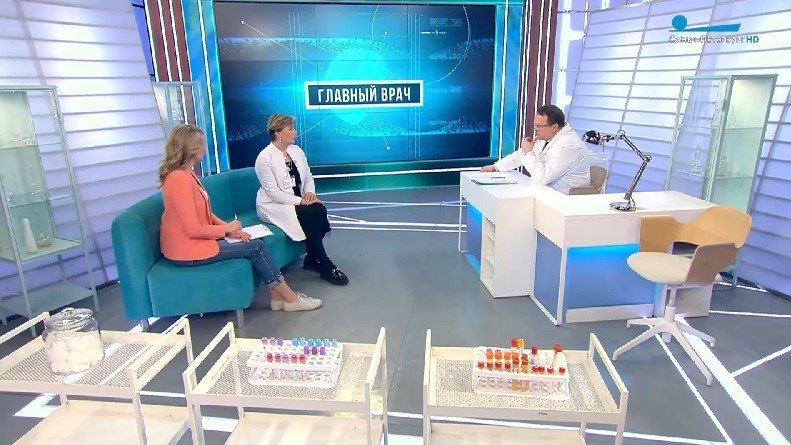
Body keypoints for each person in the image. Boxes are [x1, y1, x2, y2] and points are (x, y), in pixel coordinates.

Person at [158, 124, 321, 312]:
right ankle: (290, 299)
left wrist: (230, 229)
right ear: (191, 148)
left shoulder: (187, 173)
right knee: (256, 247)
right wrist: (226, 230)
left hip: (195, 241)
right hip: (186, 250)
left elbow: (205, 213)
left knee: (255, 240)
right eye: (201, 143)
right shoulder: (178, 179)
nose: (204, 147)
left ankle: (277, 297)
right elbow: (192, 229)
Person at [254, 114, 349, 286]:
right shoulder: (264, 158)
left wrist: (310, 193)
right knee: (310, 212)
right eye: (291, 129)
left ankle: (312, 258)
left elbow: (308, 177)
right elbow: (273, 193)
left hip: (299, 199)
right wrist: (301, 201)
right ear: (277, 133)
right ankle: (325, 265)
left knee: (318, 208)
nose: (295, 132)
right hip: (274, 204)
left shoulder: (296, 151)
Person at [482, 105, 590, 194]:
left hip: (563, 199)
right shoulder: (546, 137)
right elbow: (521, 155)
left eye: (539, 126)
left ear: (554, 127)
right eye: (535, 126)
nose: (536, 130)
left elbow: (543, 178)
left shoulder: (569, 145)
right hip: (544, 192)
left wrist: (528, 153)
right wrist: (496, 167)